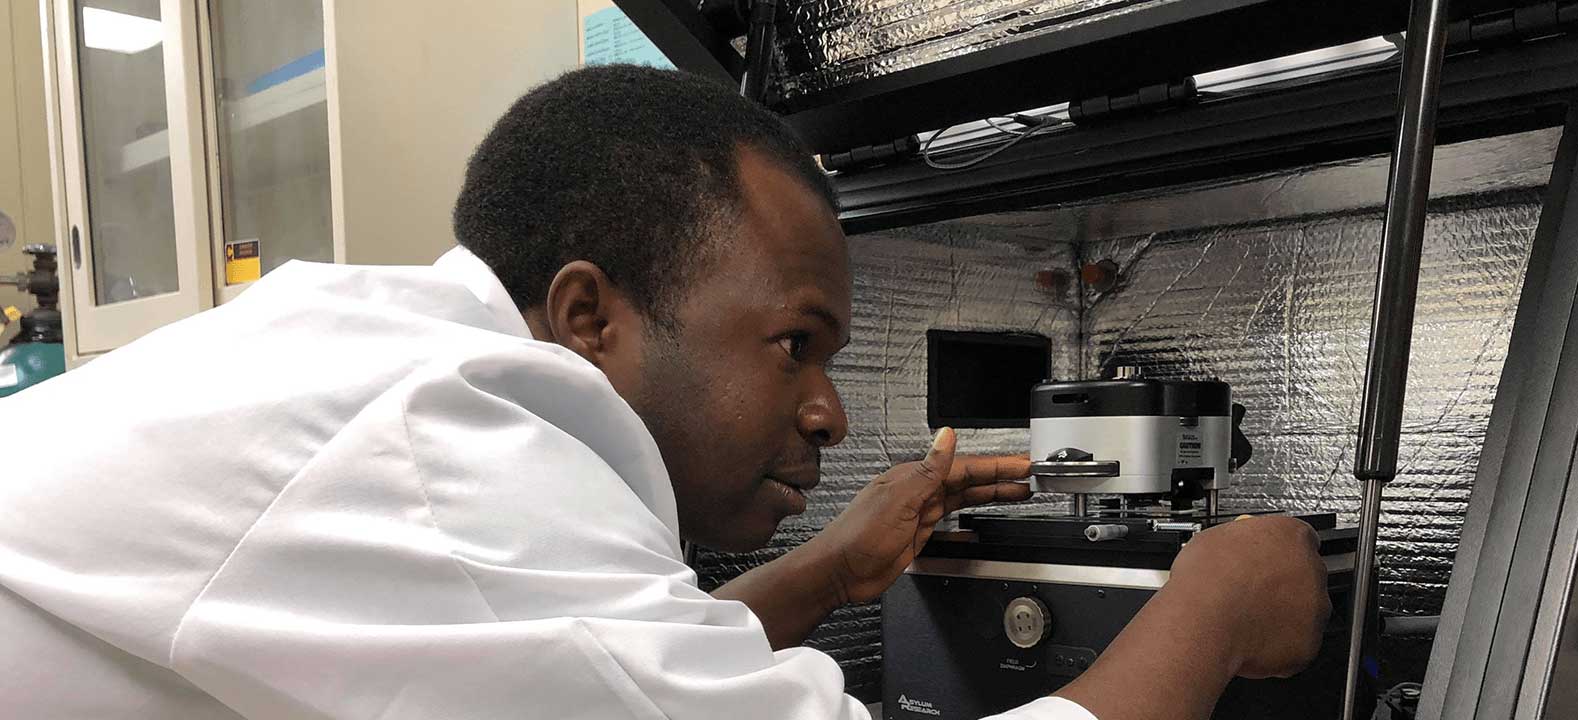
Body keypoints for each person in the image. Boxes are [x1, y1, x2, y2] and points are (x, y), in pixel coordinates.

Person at [0, 65, 1328, 719]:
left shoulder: (384, 376)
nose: (829, 409)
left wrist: (827, 575)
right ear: (590, 315)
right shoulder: (434, 451)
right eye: (796, 345)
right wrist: (1211, 606)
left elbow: (587, 668)